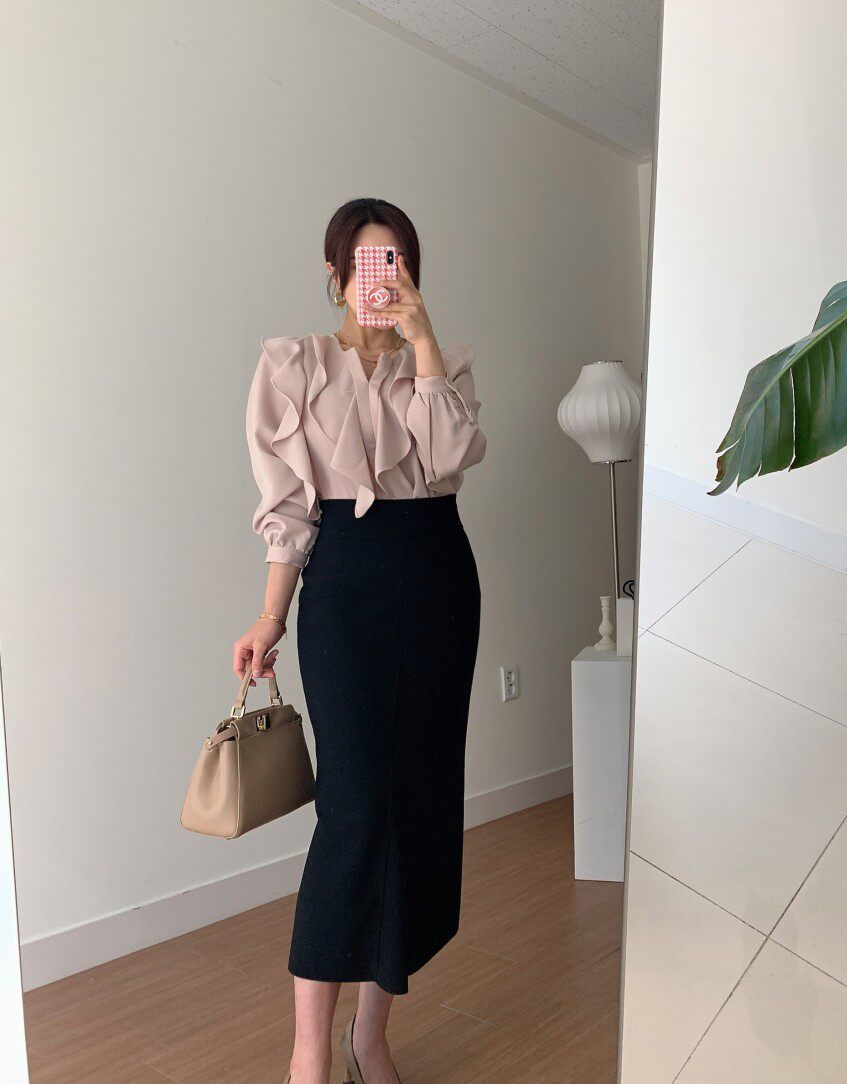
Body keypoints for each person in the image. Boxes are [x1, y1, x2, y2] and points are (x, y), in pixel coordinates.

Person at [235, 197, 487, 1084]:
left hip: (438, 581)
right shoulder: (293, 366)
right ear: (336, 273)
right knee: (353, 809)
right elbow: (289, 510)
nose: (383, 280)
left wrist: (423, 343)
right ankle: (309, 1052)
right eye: (368, 263)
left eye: (398, 263)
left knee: (419, 805)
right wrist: (271, 616)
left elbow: (447, 461)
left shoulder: (443, 366)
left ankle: (370, 1037)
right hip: (345, 589)